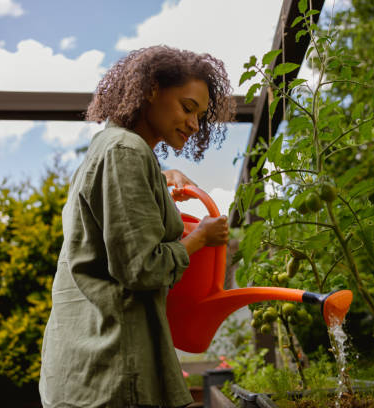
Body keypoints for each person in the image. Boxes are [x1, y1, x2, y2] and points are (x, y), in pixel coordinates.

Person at [39, 45, 235, 408]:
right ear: (152, 90)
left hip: (86, 365)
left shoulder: (112, 147)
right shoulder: (126, 152)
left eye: (200, 115)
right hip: (112, 365)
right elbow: (142, 268)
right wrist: (200, 237)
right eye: (188, 108)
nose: (195, 123)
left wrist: (158, 181)